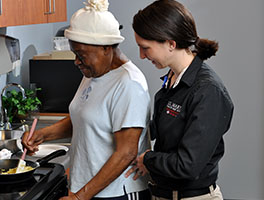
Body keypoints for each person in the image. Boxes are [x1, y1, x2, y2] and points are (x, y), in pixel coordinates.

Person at [21, 0, 151, 199]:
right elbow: (85, 117)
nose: (76, 61)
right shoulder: (93, 73)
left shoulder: (128, 83)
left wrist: (79, 197)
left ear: (106, 48)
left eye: (81, 54)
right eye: (75, 54)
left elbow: (126, 152)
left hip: (117, 194)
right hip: (88, 188)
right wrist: (43, 135)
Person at [125, 0, 234, 200]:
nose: (141, 56)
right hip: (162, 193)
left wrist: (148, 159)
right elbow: (164, 128)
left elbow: (188, 164)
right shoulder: (173, 79)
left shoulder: (207, 91)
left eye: (145, 48)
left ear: (170, 44)